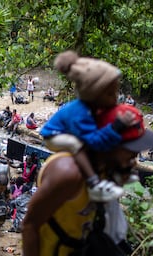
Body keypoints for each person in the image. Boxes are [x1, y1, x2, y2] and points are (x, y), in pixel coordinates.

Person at [21, 104, 153, 256]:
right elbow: (30, 225)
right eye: (131, 152)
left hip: (82, 254)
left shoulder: (104, 167)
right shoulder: (68, 174)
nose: (134, 161)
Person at [40, 50, 137, 202]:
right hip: (54, 135)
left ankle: (118, 170)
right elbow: (93, 140)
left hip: (75, 131)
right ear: (94, 94)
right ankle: (94, 184)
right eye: (110, 94)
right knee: (77, 144)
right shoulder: (80, 113)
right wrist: (117, 126)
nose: (115, 98)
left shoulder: (94, 108)